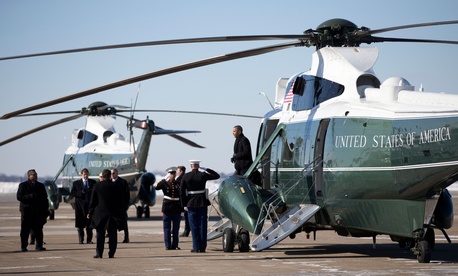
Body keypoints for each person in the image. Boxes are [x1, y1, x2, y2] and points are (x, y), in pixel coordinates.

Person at [180, 160, 220, 253]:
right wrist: (206, 169)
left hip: (191, 203)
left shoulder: (186, 176)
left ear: (191, 166)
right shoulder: (203, 175)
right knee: (202, 226)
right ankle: (202, 248)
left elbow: (182, 192)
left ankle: (195, 247)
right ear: (198, 166)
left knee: (194, 226)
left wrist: (184, 204)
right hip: (202, 202)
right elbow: (216, 176)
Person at [89, 169, 125, 258]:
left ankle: (99, 253)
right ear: (110, 176)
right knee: (113, 235)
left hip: (100, 214)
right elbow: (121, 200)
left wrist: (90, 211)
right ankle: (111, 253)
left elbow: (93, 201)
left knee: (100, 235)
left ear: (103, 176)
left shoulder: (97, 186)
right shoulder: (117, 186)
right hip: (113, 214)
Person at [17, 169, 49, 252]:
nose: (35, 176)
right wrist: (29, 196)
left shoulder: (40, 186)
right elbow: (19, 197)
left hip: (37, 211)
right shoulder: (23, 185)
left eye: (36, 174)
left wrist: (46, 210)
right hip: (27, 211)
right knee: (25, 230)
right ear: (29, 176)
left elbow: (45, 199)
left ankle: (39, 245)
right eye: (33, 175)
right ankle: (24, 246)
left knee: (38, 229)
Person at [154, 167, 183, 250]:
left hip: (177, 207)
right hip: (167, 208)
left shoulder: (178, 183)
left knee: (176, 228)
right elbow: (156, 187)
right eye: (171, 174)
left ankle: (175, 245)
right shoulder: (164, 183)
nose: (173, 176)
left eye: (174, 174)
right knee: (167, 228)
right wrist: (163, 179)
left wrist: (182, 209)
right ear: (168, 175)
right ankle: (167, 245)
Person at [71, 168, 96, 244]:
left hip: (89, 206)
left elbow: (95, 192)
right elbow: (73, 193)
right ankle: (81, 240)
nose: (85, 176)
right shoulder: (76, 183)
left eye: (87, 174)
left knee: (89, 225)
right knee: (80, 225)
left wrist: (89, 191)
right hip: (80, 207)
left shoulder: (92, 182)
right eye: (84, 174)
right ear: (81, 174)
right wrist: (80, 193)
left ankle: (89, 240)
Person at [111, 168, 130, 243]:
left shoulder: (122, 182)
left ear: (117, 174)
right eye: (111, 173)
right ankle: (112, 238)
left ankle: (126, 237)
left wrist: (126, 205)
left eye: (114, 173)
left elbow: (127, 194)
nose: (112, 175)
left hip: (121, 206)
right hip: (112, 207)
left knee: (124, 222)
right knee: (112, 224)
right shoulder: (109, 182)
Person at [176, 166, 190, 237]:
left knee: (180, 217)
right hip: (188, 200)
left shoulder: (179, 179)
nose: (177, 172)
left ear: (181, 171)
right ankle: (187, 231)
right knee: (187, 217)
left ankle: (184, 231)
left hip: (181, 201)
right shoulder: (187, 177)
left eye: (178, 171)